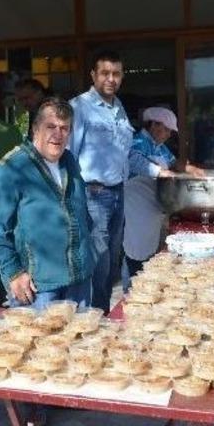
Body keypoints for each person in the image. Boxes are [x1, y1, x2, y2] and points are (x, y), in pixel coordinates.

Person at [0, 97, 94, 308]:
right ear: (35, 129)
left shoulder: (69, 161)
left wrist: (90, 251)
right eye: (50, 126)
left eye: (64, 128)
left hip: (79, 281)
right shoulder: (11, 169)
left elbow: (81, 212)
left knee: (82, 340)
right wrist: (13, 272)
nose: (58, 134)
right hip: (39, 288)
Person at [70, 50, 158, 313]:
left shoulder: (118, 108)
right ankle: (94, 319)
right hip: (93, 194)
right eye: (105, 73)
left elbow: (127, 154)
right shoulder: (79, 108)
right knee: (98, 262)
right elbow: (67, 156)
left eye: (116, 74)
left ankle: (101, 315)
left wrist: (159, 172)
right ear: (93, 75)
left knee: (110, 262)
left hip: (118, 193)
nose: (111, 79)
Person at [122, 107, 204, 292]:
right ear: (153, 125)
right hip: (136, 206)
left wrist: (191, 169)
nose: (168, 135)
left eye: (169, 131)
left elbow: (174, 162)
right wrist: (160, 171)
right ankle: (130, 294)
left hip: (151, 208)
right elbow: (133, 161)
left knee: (149, 256)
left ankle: (144, 291)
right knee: (134, 255)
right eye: (166, 129)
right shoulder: (137, 142)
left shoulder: (158, 146)